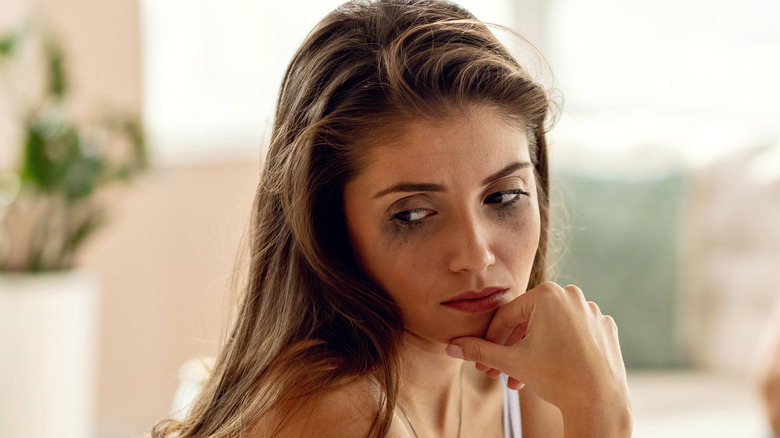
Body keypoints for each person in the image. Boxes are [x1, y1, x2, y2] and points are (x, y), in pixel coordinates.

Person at [152, 1, 632, 436]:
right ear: (331, 228)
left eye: (504, 196)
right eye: (414, 214)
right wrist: (602, 410)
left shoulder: (528, 386)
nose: (475, 253)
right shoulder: (335, 413)